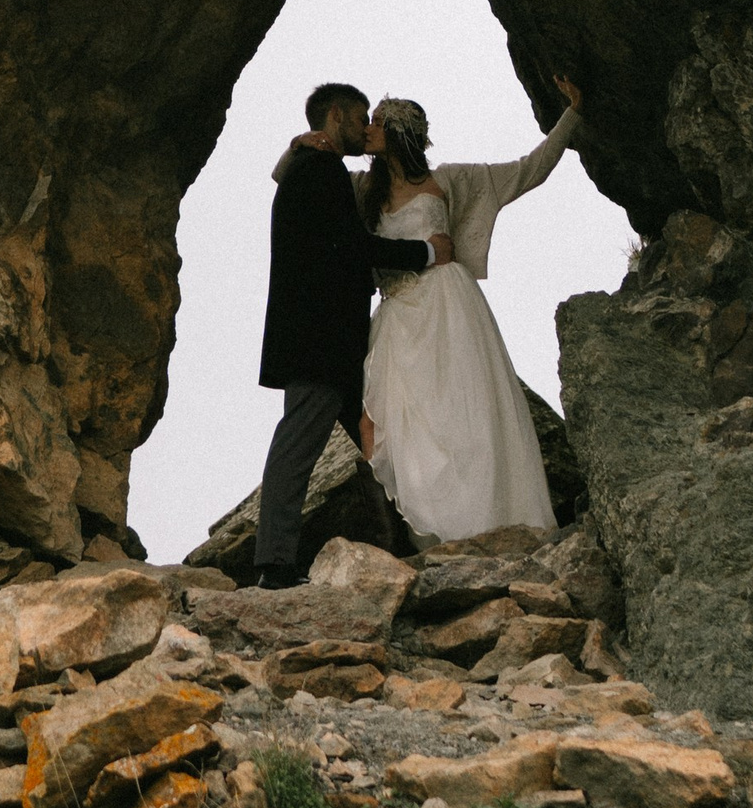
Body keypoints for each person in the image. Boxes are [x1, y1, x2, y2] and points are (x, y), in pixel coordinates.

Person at [358, 74, 583, 545]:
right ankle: (439, 534)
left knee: (466, 417)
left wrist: (573, 114)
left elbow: (530, 169)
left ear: (399, 131)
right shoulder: (363, 189)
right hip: (399, 316)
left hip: (448, 307)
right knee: (403, 429)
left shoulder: (452, 181)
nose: (367, 129)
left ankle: (490, 524)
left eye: (376, 122)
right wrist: (304, 142)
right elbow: (288, 177)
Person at [249, 80, 452, 588]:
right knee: (297, 449)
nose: (366, 130)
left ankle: (405, 546)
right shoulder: (318, 168)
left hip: (338, 343)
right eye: (361, 118)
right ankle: (274, 567)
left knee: (380, 439)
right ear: (336, 116)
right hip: (320, 342)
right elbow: (352, 246)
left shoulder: (315, 166)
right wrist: (426, 253)